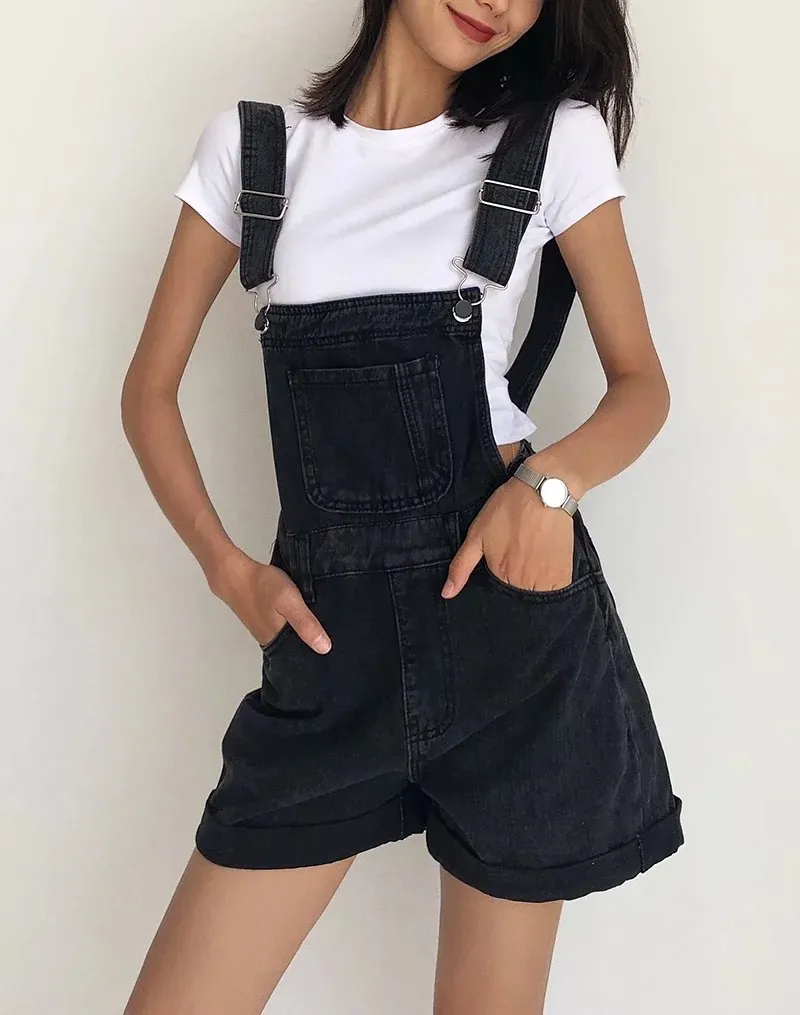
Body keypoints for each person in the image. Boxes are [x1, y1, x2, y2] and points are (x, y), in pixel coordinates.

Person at [121, 2, 683, 1012]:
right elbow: (147, 393)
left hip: (512, 639)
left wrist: (548, 488)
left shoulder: (553, 140)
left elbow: (640, 384)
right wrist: (229, 571)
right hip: (328, 660)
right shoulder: (255, 152)